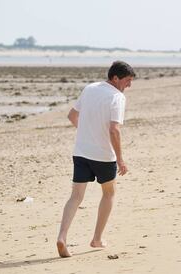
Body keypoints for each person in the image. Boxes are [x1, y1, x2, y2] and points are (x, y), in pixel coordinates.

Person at [57, 61, 136, 258]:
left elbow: (72, 116)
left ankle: (62, 237)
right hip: (103, 155)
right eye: (127, 81)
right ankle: (97, 239)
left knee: (75, 196)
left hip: (81, 151)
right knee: (109, 193)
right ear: (115, 78)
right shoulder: (117, 97)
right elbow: (114, 129)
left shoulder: (90, 88)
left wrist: (87, 134)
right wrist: (120, 159)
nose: (129, 85)